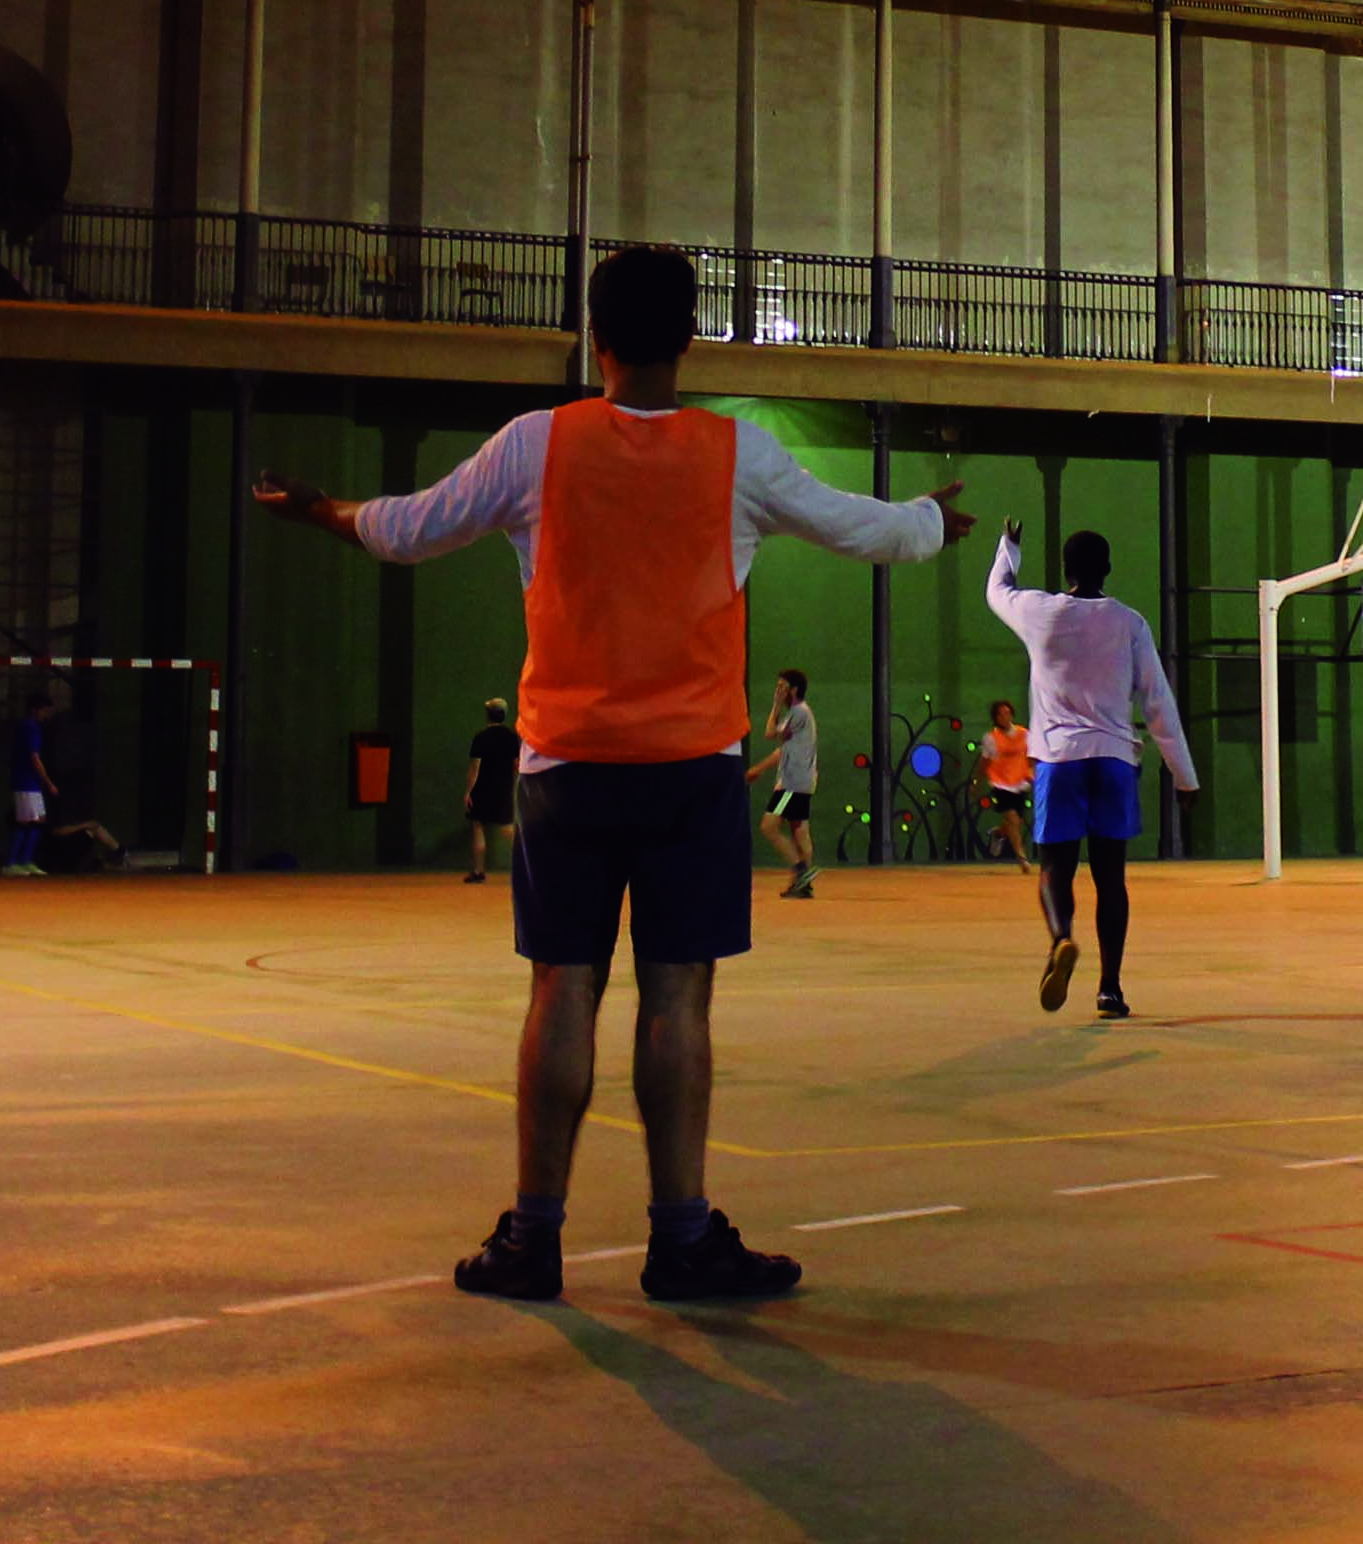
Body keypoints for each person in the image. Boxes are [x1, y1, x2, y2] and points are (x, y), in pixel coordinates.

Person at [253, 244, 966, 1304]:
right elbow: (861, 528)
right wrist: (931, 524)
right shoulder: (742, 454)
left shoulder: (534, 447)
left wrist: (322, 509)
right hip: (691, 772)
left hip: (565, 770)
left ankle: (531, 1238)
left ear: (595, 338)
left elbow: (406, 528)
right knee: (679, 994)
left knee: (562, 987)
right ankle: (680, 1239)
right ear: (690, 339)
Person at [985, 523, 1198, 1021]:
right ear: (1108, 568)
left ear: (1065, 570)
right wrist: (1184, 775)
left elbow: (997, 591)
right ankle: (1110, 988)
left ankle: (1061, 939)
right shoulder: (1129, 623)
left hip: (1059, 760)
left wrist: (1009, 547)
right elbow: (1157, 702)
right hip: (1114, 760)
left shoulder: (1040, 613)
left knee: (1054, 868)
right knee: (1111, 878)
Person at [751, 671, 821, 898]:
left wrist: (775, 705)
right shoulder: (798, 715)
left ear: (794, 689)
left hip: (791, 783)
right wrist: (759, 769)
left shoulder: (799, 712)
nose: (777, 690)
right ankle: (804, 885)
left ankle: (801, 870)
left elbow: (770, 732)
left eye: (782, 686)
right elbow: (783, 750)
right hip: (800, 781)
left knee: (768, 826)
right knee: (800, 831)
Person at [2, 682, 64, 875]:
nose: (47, 714)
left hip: (31, 783)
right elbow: (34, 757)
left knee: (38, 821)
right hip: (25, 781)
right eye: (44, 710)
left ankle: (25, 860)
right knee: (25, 822)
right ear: (35, 709)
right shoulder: (30, 727)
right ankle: (10, 863)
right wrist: (49, 782)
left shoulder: (32, 727)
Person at [463, 697, 521, 883]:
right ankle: (526, 868)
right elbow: (517, 765)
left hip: (482, 789)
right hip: (504, 789)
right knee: (508, 830)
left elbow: (475, 768)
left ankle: (479, 872)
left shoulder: (480, 738)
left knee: (478, 827)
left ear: (488, 716)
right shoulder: (512, 738)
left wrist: (469, 791)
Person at [978, 699, 1035, 868]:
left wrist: (1033, 773)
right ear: (995, 718)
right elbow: (984, 762)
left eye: (1007, 713)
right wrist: (977, 783)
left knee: (1017, 820)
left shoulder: (1024, 734)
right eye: (1000, 714)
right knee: (1012, 817)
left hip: (1020, 781)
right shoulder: (990, 738)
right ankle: (1022, 858)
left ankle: (998, 833)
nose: (1005, 717)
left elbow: (1031, 756)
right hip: (1000, 783)